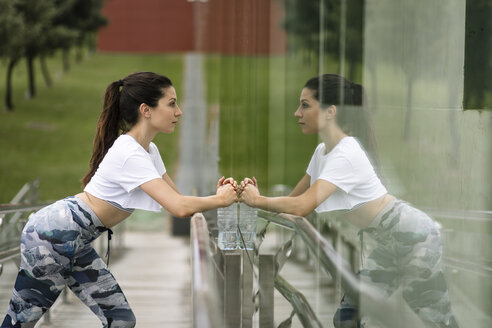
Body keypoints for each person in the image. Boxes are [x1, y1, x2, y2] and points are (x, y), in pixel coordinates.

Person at [1, 72, 238, 328]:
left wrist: (215, 197)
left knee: (121, 320)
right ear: (146, 110)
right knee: (19, 323)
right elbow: (179, 208)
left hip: (75, 240)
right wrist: (221, 200)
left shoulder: (148, 150)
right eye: (171, 103)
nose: (178, 112)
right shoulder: (130, 153)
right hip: (53, 236)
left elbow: (177, 199)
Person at [239, 74, 459, 327]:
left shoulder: (345, 153)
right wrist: (254, 196)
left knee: (436, 318)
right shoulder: (323, 151)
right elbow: (293, 200)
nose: (296, 113)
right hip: (389, 242)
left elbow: (302, 206)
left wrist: (258, 201)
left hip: (413, 236)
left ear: (330, 111)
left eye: (305, 105)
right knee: (348, 317)